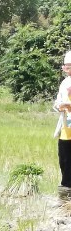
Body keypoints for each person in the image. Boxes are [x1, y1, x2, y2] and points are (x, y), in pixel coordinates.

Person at [55, 50, 71, 198]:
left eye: (69, 67)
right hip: (66, 127)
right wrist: (60, 105)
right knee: (64, 158)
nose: (66, 70)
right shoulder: (64, 82)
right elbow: (58, 101)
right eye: (65, 67)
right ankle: (66, 189)